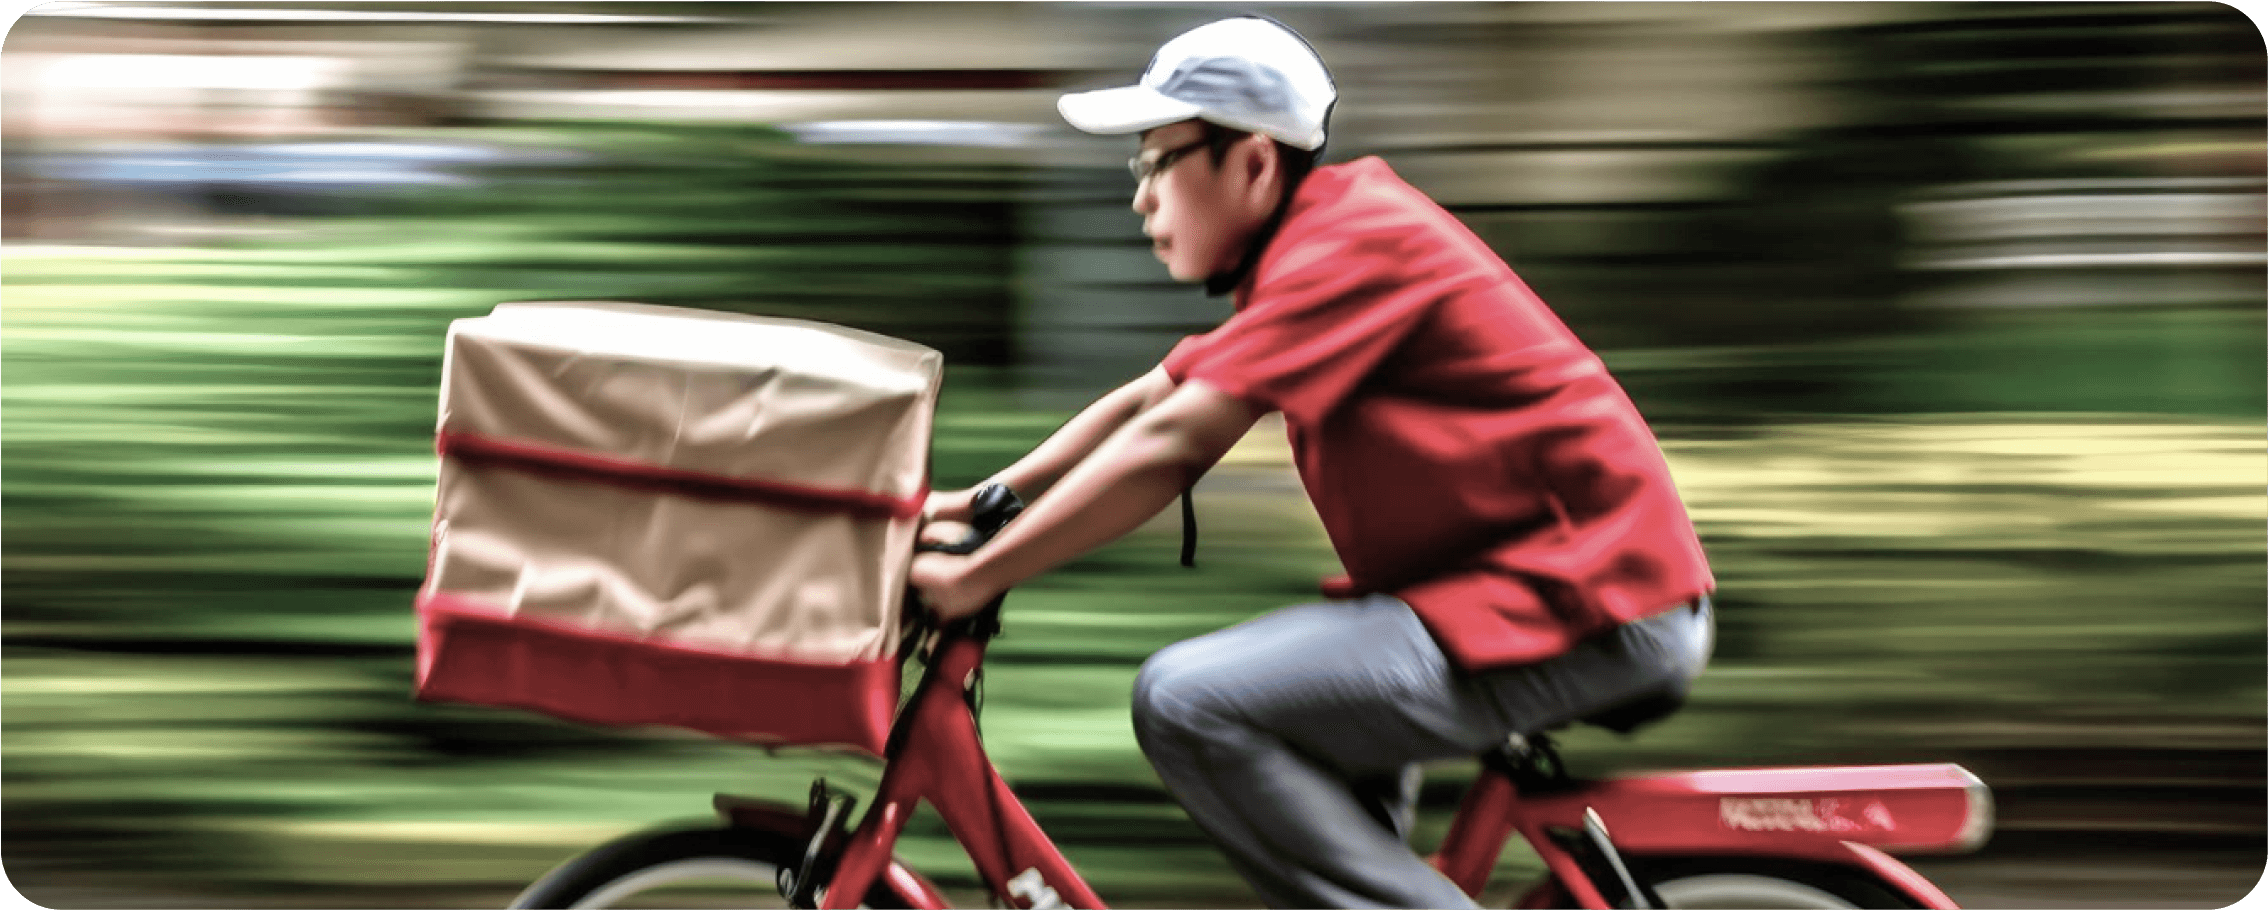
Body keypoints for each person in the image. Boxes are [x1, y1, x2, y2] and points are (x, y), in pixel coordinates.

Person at [910, 15, 1716, 910]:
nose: (1140, 197)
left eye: (1156, 163)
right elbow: (1154, 395)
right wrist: (982, 501)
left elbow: (1176, 443)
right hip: (1500, 599)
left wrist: (981, 574)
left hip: (1585, 602)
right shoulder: (1316, 246)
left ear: (1252, 163)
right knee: (1299, 777)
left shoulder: (1353, 244)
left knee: (1189, 700)